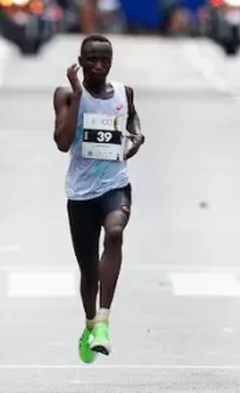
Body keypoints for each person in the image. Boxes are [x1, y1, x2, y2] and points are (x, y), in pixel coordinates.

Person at [52, 34, 145, 363]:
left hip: (115, 185)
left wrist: (137, 135)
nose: (99, 65)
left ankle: (103, 322)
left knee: (116, 233)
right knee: (88, 270)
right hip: (80, 193)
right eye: (91, 59)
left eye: (105, 59)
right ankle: (90, 323)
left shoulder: (123, 92)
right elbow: (63, 142)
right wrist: (78, 95)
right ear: (80, 60)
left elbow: (132, 117)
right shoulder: (65, 95)